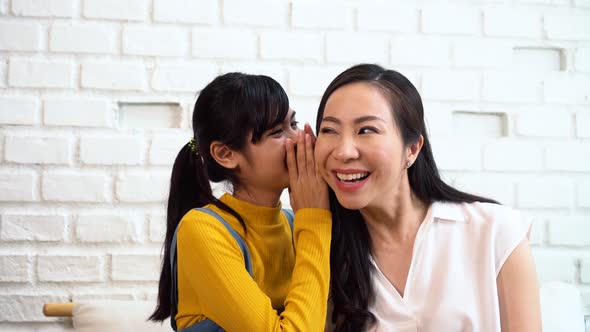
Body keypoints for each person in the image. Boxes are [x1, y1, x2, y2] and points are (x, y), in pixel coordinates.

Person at [313, 64, 541, 332]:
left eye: (366, 130)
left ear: (412, 149)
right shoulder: (323, 253)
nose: (344, 151)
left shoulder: (494, 231)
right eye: (329, 131)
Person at [149, 72, 331, 331]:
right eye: (278, 132)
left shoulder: (295, 223)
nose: (299, 139)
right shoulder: (202, 229)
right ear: (226, 154)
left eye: (294, 123)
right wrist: (315, 219)